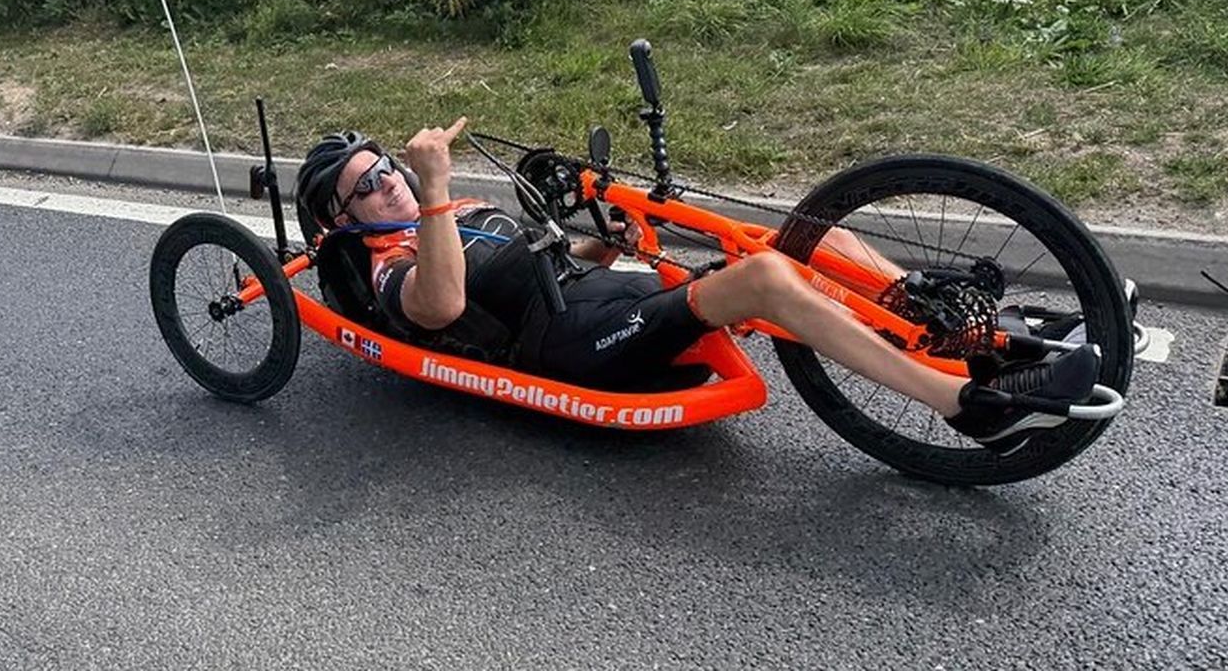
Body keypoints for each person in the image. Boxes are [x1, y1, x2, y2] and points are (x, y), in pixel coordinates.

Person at [295, 119, 1102, 451]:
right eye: (367, 186)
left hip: (600, 302)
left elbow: (535, 266)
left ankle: (979, 338)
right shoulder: (386, 262)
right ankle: (961, 405)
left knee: (818, 240)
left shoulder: (459, 211)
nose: (390, 183)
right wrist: (434, 190)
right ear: (340, 217)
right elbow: (438, 306)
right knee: (767, 280)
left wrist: (598, 243)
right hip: (570, 349)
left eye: (389, 168)